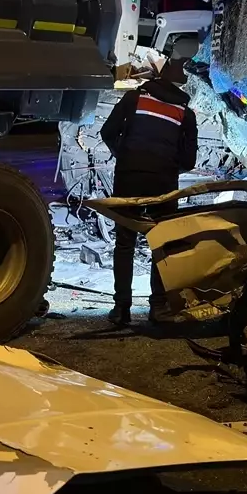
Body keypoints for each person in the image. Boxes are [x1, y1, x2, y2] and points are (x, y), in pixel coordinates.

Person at [99, 54, 198, 326]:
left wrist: (126, 156)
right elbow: (189, 161)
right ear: (180, 86)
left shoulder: (135, 99)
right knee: (161, 245)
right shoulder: (185, 114)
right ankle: (157, 307)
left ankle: (121, 309)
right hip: (163, 184)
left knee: (125, 243)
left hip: (129, 177)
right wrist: (166, 167)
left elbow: (107, 131)